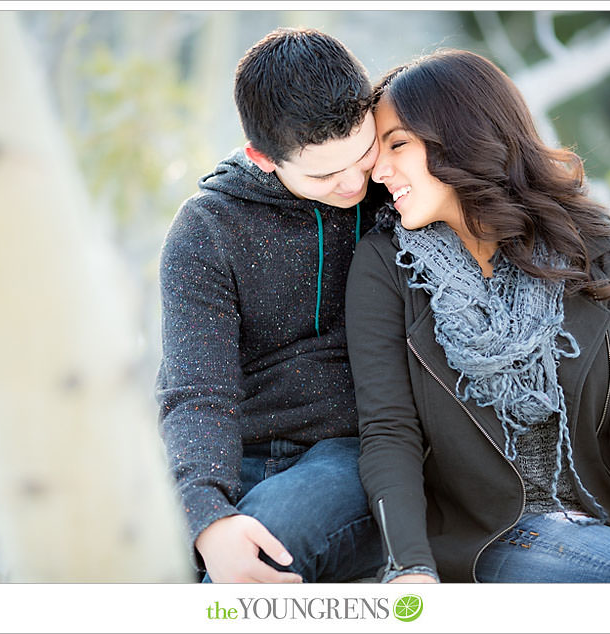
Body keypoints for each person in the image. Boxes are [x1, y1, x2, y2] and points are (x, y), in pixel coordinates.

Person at [344, 49, 610, 583]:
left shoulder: (598, 251)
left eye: (398, 145)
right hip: (497, 534)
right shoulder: (386, 265)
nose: (379, 168)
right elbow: (389, 431)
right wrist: (409, 566)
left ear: (462, 136)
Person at [155, 27, 387, 583]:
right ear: (263, 158)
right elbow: (196, 389)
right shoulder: (205, 229)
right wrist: (207, 516)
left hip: (355, 451)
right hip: (235, 452)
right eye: (326, 174)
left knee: (270, 535)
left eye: (363, 151)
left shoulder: (398, 188)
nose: (356, 180)